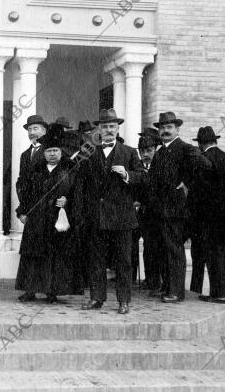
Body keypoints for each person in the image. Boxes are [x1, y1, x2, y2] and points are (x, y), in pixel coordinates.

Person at [81, 109, 144, 314]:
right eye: (105, 126)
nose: (109, 130)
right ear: (100, 129)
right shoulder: (90, 154)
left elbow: (142, 178)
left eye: (112, 126)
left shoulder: (129, 152)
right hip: (97, 216)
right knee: (95, 260)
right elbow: (83, 184)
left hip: (122, 217)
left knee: (123, 261)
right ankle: (97, 297)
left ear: (118, 129)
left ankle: (123, 300)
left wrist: (126, 174)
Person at [147, 112, 211, 303]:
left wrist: (187, 183)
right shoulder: (160, 153)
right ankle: (167, 286)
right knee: (164, 249)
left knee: (174, 249)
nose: (165, 131)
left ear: (177, 129)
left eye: (169, 127)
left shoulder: (185, 149)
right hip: (161, 210)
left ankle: (176, 292)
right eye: (162, 128)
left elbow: (205, 165)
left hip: (176, 210)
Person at [15, 124, 81, 302]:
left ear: (61, 152)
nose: (52, 154)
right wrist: (22, 211)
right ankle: (30, 290)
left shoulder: (70, 170)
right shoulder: (34, 171)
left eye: (55, 150)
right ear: (44, 153)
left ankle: (52, 291)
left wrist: (67, 201)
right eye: (49, 150)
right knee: (33, 255)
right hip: (37, 219)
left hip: (57, 219)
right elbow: (24, 192)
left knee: (54, 256)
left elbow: (77, 192)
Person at [193, 127, 225, 304]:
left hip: (211, 219)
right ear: (215, 141)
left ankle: (219, 293)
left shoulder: (203, 160)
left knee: (215, 256)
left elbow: (200, 193)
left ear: (200, 144)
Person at [133, 135, 162, 292]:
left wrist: (143, 201)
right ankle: (149, 278)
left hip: (157, 214)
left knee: (157, 247)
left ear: (155, 150)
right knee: (147, 247)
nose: (145, 154)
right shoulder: (138, 168)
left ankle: (157, 280)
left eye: (149, 150)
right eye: (142, 151)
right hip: (141, 214)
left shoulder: (160, 167)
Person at [15, 115, 47, 227]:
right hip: (30, 208)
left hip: (47, 207)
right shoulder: (24, 155)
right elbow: (21, 183)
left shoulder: (51, 151)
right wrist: (23, 210)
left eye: (35, 128)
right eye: (29, 129)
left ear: (44, 130)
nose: (32, 132)